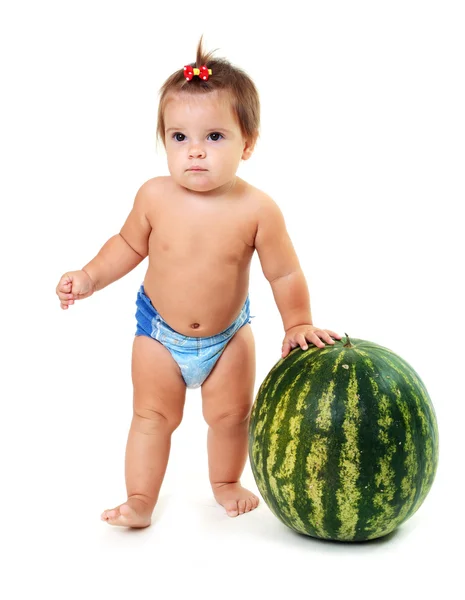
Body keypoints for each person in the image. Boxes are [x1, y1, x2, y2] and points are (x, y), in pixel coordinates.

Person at [55, 35, 342, 528]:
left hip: (228, 338)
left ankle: (226, 482)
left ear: (247, 143)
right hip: (159, 334)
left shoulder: (257, 209)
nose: (195, 152)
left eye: (214, 137)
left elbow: (284, 272)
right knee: (151, 418)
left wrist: (298, 323)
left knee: (231, 417)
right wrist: (89, 276)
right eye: (179, 137)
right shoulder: (154, 196)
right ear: (164, 140)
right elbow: (126, 246)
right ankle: (140, 498)